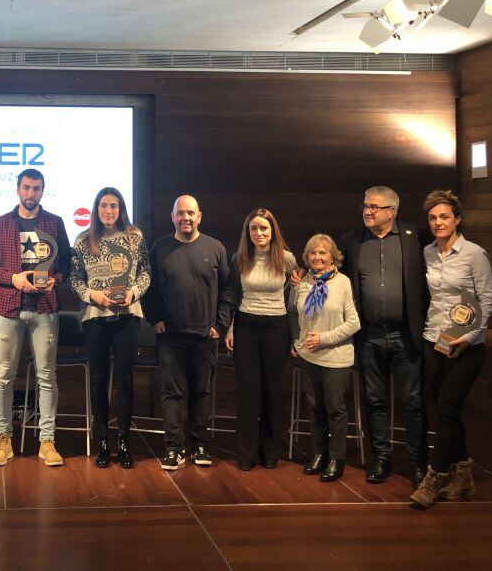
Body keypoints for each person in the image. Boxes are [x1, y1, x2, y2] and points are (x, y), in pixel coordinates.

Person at [333, 186, 431, 488]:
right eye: (365, 206)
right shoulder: (351, 241)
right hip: (370, 336)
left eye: (374, 207)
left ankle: (418, 464)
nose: (367, 211)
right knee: (374, 401)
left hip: (405, 335)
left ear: (392, 211)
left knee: (412, 402)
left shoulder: (416, 238)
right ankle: (381, 459)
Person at [0, 169, 72, 467]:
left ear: (43, 191)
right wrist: (12, 278)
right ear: (17, 189)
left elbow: (65, 267)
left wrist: (54, 280)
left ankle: (47, 441)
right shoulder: (1, 224)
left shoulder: (55, 223)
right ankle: (3, 439)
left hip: (45, 308)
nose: (31, 193)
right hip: (7, 309)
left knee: (47, 376)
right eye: (26, 188)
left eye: (36, 188)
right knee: (4, 376)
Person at [410, 189, 492, 509]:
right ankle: (463, 475)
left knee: (446, 407)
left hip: (467, 345)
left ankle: (435, 477)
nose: (438, 222)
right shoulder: (428, 253)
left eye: (444, 216)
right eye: (433, 218)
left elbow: (486, 301)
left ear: (457, 219)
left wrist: (469, 337)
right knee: (447, 410)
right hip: (436, 339)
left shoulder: (474, 254)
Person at [143, 195, 230, 471]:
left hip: (206, 335)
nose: (186, 218)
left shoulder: (215, 248)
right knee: (172, 393)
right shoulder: (160, 248)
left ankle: (200, 445)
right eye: (180, 213)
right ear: (172, 217)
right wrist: (154, 318)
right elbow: (149, 288)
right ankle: (174, 448)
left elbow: (229, 289)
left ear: (200, 216)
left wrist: (221, 324)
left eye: (191, 213)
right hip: (170, 336)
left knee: (202, 391)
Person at [69, 187, 151, 469]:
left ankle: (124, 442)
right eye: (104, 205)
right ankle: (103, 441)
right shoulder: (82, 240)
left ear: (121, 208)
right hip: (95, 316)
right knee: (98, 380)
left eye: (114, 206)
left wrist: (134, 293)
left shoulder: (134, 236)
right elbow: (74, 279)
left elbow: (145, 272)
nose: (108, 211)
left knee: (124, 380)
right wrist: (92, 295)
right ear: (96, 208)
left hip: (127, 314)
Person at [220, 208, 297, 471]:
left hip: (276, 326)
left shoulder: (287, 259)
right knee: (248, 390)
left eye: (264, 228)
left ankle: (270, 452)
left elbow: (298, 294)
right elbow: (232, 295)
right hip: (246, 327)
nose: (259, 233)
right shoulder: (239, 258)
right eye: (254, 228)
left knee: (272, 391)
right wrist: (229, 329)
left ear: (273, 230)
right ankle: (247, 453)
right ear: (248, 232)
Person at [289, 233, 361, 482]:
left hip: (336, 356)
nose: (317, 257)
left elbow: (354, 323)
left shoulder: (343, 283)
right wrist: (298, 341)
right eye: (313, 253)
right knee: (315, 407)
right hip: (309, 356)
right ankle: (318, 454)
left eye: (323, 252)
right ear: (307, 257)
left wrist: (324, 338)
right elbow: (294, 315)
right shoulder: (302, 282)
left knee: (334, 409)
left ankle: (336, 458)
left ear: (333, 257)